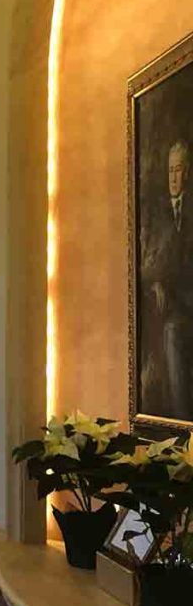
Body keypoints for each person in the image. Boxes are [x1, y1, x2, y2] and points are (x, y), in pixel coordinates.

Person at [141, 140, 193, 419]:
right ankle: (183, 424)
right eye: (170, 171)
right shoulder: (156, 213)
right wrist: (158, 282)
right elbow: (145, 261)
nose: (174, 177)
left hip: (189, 299)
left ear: (188, 173)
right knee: (172, 333)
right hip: (170, 306)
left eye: (179, 170)